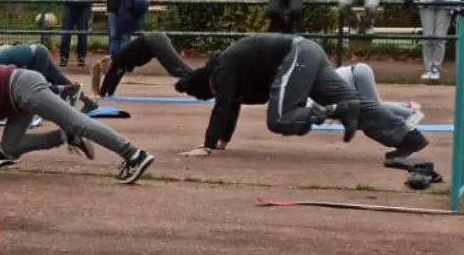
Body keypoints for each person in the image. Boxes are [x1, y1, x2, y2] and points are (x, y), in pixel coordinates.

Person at [175, 34, 428, 160]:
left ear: (206, 86)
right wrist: (222, 142)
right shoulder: (227, 68)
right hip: (308, 53)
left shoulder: (221, 71)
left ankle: (335, 110)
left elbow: (223, 105)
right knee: (358, 106)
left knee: (281, 118)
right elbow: (231, 107)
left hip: (296, 55)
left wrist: (207, 146)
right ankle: (408, 138)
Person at [0, 65, 154, 184]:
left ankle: (134, 154)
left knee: (77, 122)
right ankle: (65, 137)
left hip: (23, 87)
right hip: (16, 101)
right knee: (9, 147)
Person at [90, 31, 195, 98]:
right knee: (174, 70)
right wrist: (109, 95)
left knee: (177, 68)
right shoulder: (122, 63)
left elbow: (110, 78)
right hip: (155, 42)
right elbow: (114, 79)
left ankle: (203, 78)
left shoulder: (118, 59)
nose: (115, 72)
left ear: (109, 65)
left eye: (107, 71)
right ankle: (200, 79)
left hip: (155, 40)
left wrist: (102, 95)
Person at [0, 42, 78, 93]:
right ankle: (79, 93)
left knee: (35, 88)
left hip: (35, 54)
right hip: (37, 51)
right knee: (57, 78)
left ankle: (63, 91)